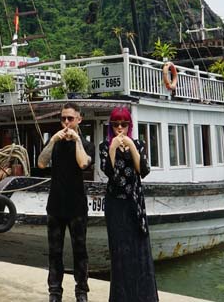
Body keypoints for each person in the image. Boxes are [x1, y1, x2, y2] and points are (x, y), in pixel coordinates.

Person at [98, 106, 158, 302]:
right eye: (116, 125)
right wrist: (114, 147)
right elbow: (109, 173)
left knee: (139, 251)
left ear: (129, 126)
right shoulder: (104, 146)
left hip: (135, 203)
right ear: (111, 126)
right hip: (116, 204)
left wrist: (131, 146)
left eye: (124, 124)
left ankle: (143, 297)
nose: (120, 128)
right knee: (119, 253)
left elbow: (144, 170)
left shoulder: (138, 144)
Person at [37, 102, 95, 302]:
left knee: (80, 251)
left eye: (70, 118)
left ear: (79, 119)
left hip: (77, 207)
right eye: (63, 118)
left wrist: (77, 140)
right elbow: (41, 163)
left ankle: (81, 292)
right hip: (55, 206)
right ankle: (55, 292)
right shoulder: (56, 142)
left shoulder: (87, 145)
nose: (66, 122)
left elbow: (83, 163)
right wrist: (52, 140)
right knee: (55, 252)